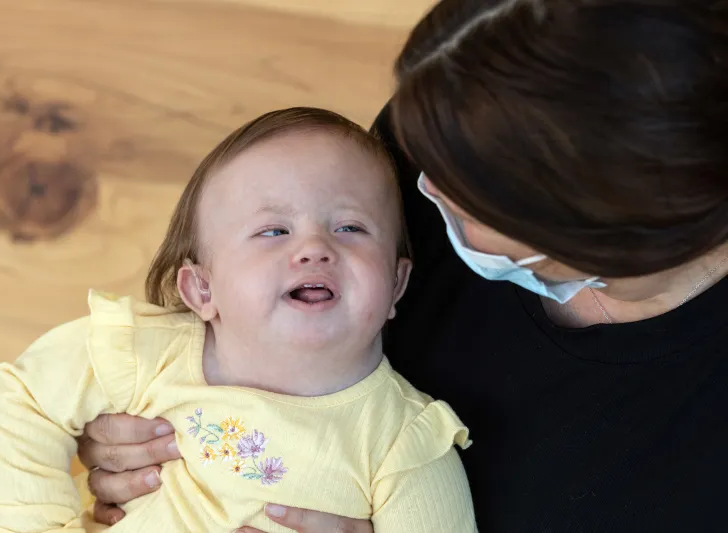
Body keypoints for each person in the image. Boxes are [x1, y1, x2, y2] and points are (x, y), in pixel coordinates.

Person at [76, 1, 728, 532]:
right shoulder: (442, 142)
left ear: (594, 235)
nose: (420, 187)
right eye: (420, 154)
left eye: (462, 196)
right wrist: (142, 440)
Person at [0, 107, 478, 533]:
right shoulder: (147, 352)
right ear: (202, 289)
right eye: (273, 230)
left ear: (395, 284)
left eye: (350, 227)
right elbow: (28, 398)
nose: (314, 249)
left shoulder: (407, 443)